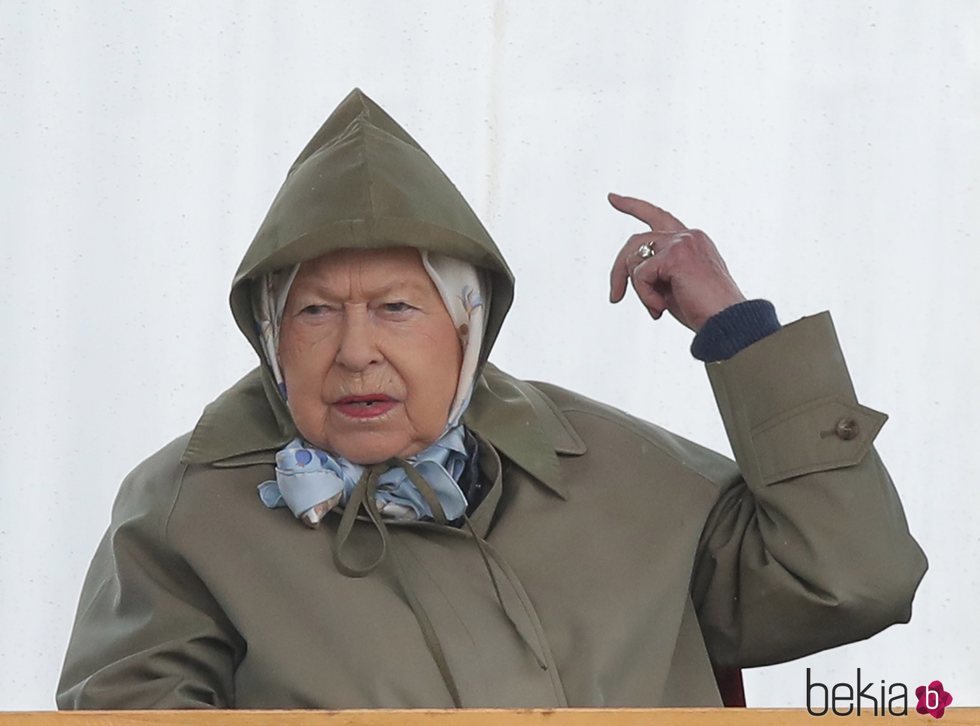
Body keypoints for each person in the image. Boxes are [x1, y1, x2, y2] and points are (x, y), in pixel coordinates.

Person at [56, 88, 927, 710]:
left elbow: (854, 578)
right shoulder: (188, 511)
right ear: (270, 335)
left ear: (469, 327)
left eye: (397, 308)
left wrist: (736, 330)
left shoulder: (618, 471)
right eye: (316, 313)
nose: (356, 352)